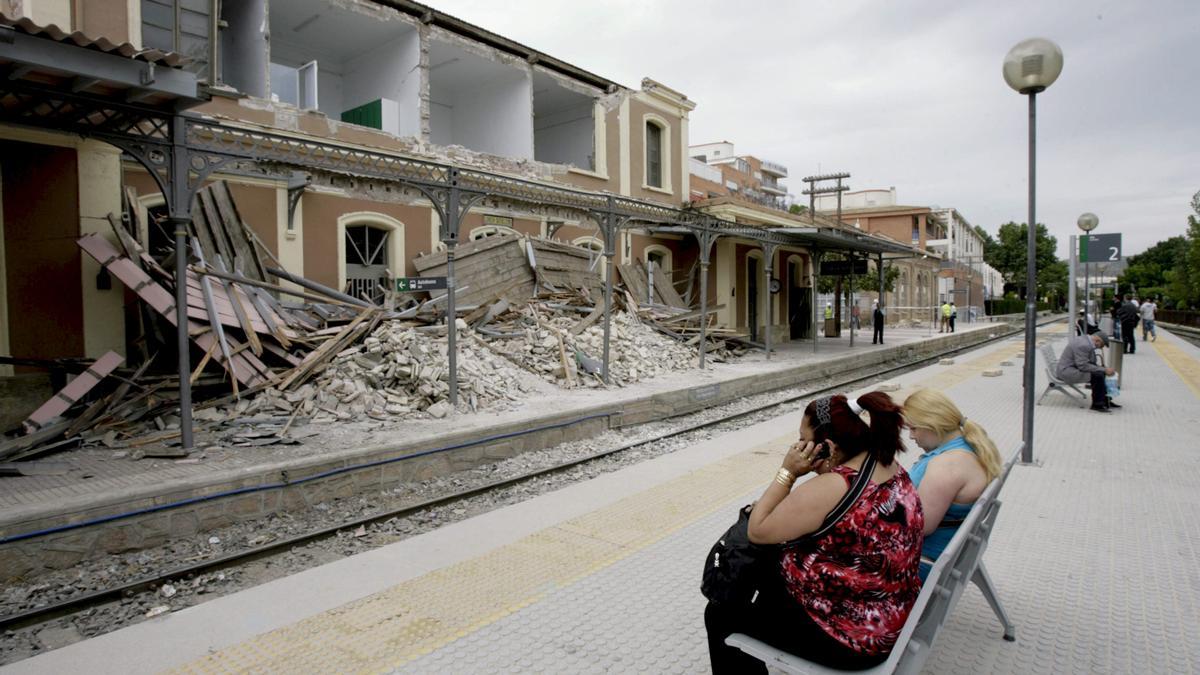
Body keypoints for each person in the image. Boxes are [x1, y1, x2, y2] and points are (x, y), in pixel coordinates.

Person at [704, 393, 923, 672]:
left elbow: (757, 531)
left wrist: (787, 472)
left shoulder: (834, 486)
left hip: (852, 639)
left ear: (828, 446)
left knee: (720, 613)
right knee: (760, 576)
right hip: (887, 610)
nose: (798, 447)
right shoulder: (886, 464)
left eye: (803, 440)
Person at [902, 389, 1003, 580]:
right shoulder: (970, 447)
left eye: (913, 428)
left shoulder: (947, 466)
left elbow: (919, 527)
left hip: (920, 563)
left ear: (933, 424)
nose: (911, 436)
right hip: (943, 549)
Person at [1055, 332, 1119, 413]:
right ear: (1097, 340)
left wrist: (1102, 368)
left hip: (1072, 368)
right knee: (1097, 375)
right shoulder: (1083, 345)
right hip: (1066, 372)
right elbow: (1083, 365)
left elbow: (1088, 363)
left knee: (1100, 372)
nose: (1098, 348)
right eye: (1101, 346)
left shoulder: (1086, 341)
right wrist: (1104, 369)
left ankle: (1105, 401)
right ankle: (1097, 405)